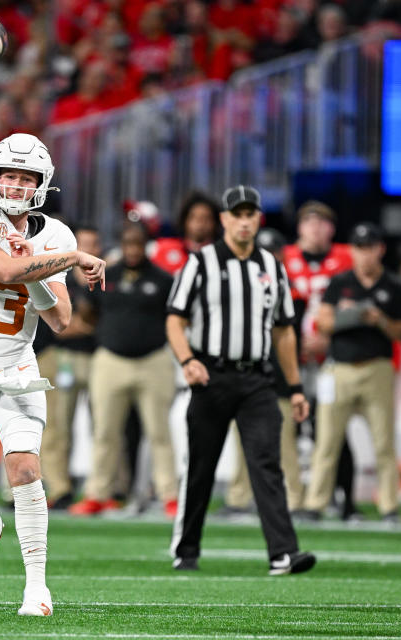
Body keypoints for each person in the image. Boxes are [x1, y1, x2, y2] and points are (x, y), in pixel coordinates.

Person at [0, 133, 106, 616]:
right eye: (9, 174)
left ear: (41, 184)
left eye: (26, 177)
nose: (15, 184)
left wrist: (44, 271)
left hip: (17, 362)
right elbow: (4, 270)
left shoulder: (56, 235)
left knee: (26, 468)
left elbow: (61, 319)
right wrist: (58, 261)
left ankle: (37, 588)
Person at [166, 185, 315, 575]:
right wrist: (187, 360)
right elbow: (174, 318)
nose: (245, 221)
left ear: (258, 219)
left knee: (267, 463)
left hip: (257, 381)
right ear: (225, 219)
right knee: (202, 465)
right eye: (238, 214)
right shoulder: (200, 263)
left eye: (252, 214)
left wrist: (296, 386)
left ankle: (283, 553)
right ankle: (186, 548)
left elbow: (284, 330)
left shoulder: (272, 265)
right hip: (211, 376)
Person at [300, 223, 401, 522]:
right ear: (353, 250)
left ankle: (389, 507)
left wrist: (380, 320)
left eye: (370, 247)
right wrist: (349, 314)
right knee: (327, 441)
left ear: (380, 249)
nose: (365, 254)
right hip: (341, 369)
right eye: (360, 248)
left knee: (384, 443)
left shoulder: (393, 286)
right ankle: (315, 504)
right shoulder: (340, 283)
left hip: (377, 368)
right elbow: (323, 323)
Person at [69, 222, 178, 517]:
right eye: (128, 243)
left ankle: (170, 495)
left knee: (159, 432)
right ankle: (97, 493)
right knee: (105, 431)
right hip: (111, 360)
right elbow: (88, 311)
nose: (132, 250)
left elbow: (177, 319)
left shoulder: (163, 279)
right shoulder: (108, 275)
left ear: (146, 245)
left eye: (138, 244)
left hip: (153, 360)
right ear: (120, 244)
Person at [282, 200, 358, 519]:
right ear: (299, 227)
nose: (315, 228)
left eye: (322, 222)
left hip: (334, 358)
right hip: (293, 358)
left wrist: (328, 335)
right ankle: (294, 499)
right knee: (291, 429)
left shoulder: (346, 258)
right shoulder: (284, 259)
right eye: (309, 221)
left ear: (332, 227)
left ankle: (346, 498)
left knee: (332, 430)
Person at [224, 228, 306, 514]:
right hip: (245, 373)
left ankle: (294, 498)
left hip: (279, 376)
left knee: (284, 443)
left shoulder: (293, 293)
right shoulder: (241, 289)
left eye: (275, 253)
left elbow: (295, 339)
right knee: (242, 441)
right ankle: (238, 498)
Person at [39, 224, 102, 509]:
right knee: (57, 426)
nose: (86, 250)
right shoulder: (58, 277)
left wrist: (85, 327)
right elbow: (59, 328)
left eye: (92, 244)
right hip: (62, 357)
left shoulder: (105, 277)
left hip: (99, 358)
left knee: (104, 427)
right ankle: (59, 487)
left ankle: (101, 490)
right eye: (81, 244)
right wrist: (90, 326)